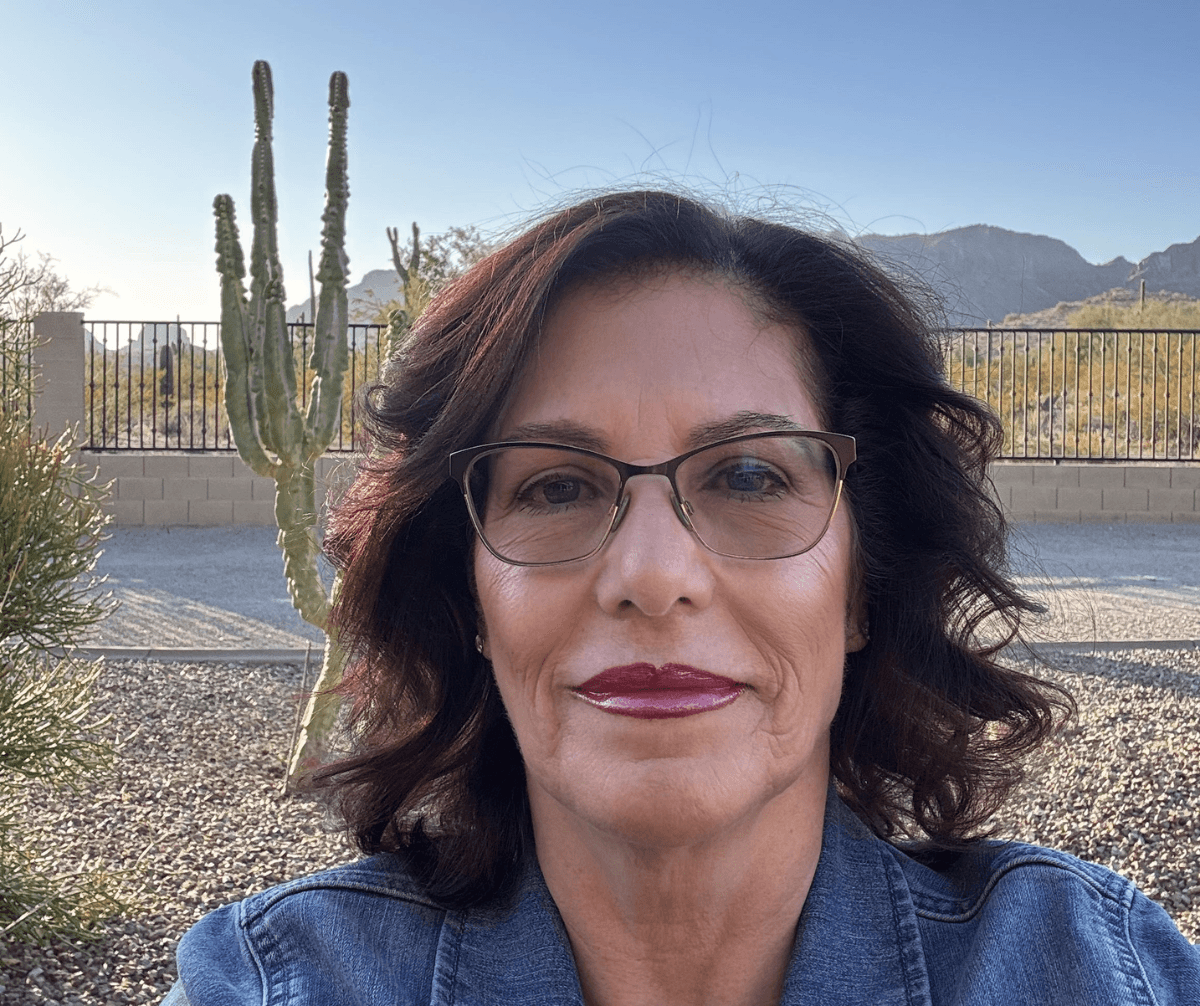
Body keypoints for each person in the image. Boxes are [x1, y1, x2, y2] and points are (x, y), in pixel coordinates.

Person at [166, 191, 1199, 1005]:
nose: (653, 577)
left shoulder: (1093, 968)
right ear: (471, 598)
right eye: (555, 487)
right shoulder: (282, 981)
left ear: (860, 588)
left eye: (750, 476)